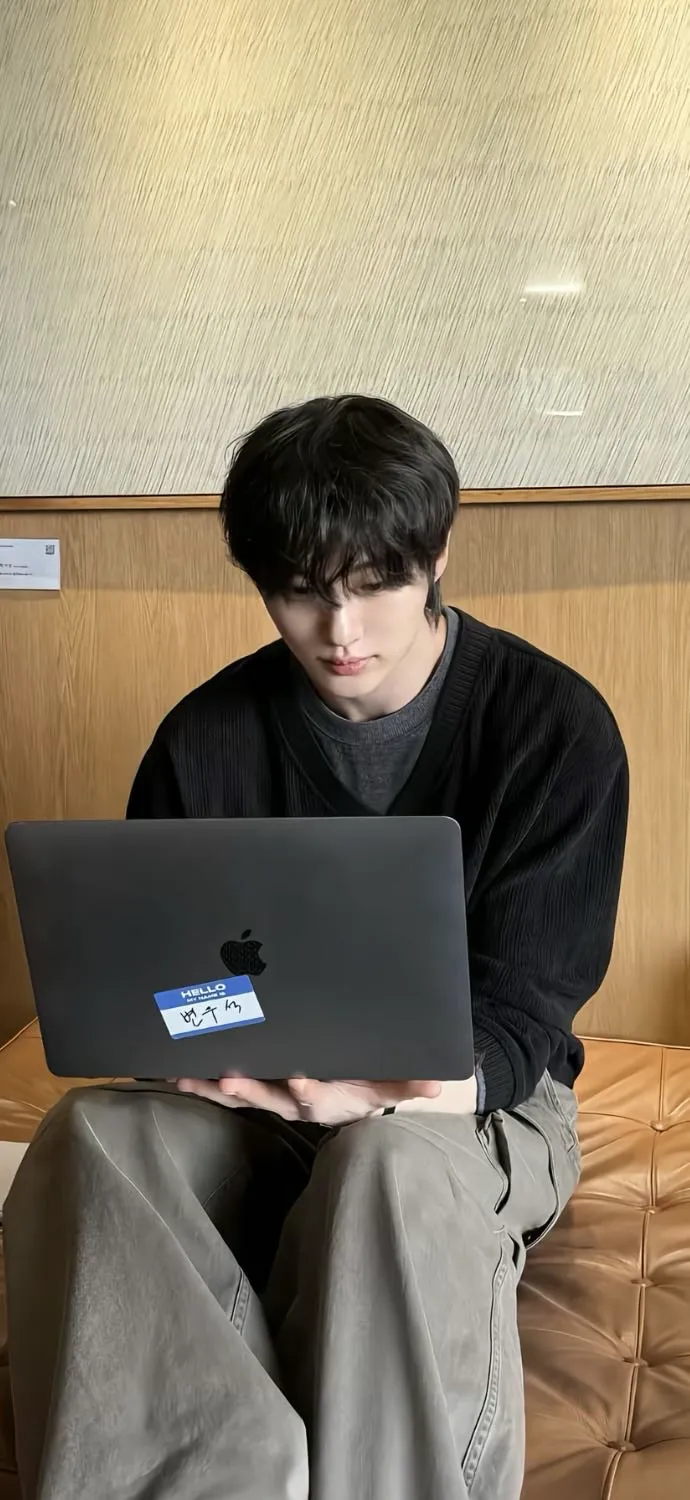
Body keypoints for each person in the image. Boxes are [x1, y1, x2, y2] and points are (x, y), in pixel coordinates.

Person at [4, 395, 628, 1500]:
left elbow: (525, 1017)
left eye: (375, 583)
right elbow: (168, 987)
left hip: (471, 1102)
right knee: (89, 1134)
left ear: (437, 555)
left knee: (379, 1170)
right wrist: (193, 1050)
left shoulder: (554, 726)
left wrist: (382, 1097)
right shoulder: (203, 740)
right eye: (301, 590)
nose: (341, 630)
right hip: (252, 1101)